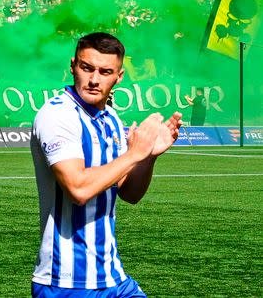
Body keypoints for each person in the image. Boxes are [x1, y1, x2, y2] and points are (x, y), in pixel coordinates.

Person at [30, 32, 182, 298]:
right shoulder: (57, 115)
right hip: (66, 282)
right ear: (73, 65)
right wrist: (134, 154)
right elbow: (78, 189)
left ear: (118, 77)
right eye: (87, 68)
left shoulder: (110, 117)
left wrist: (149, 157)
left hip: (113, 277)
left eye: (105, 71)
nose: (94, 79)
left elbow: (129, 193)